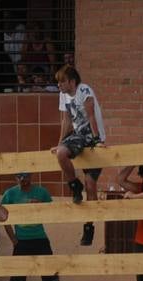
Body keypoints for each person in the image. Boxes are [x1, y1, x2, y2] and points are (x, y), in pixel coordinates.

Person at [1, 172, 76, 281]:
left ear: (31, 177)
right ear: (15, 178)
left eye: (26, 176)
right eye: (19, 176)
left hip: (40, 240)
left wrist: (40, 206)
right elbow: (3, 217)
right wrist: (14, 239)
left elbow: (53, 212)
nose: (23, 179)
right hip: (21, 243)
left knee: (54, 280)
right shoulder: (10, 194)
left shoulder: (41, 192)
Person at [53, 64, 105, 245]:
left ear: (72, 81)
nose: (59, 85)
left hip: (91, 135)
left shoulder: (84, 90)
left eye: (62, 82)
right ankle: (74, 185)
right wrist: (61, 142)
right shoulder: (63, 96)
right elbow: (66, 120)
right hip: (77, 136)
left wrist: (98, 140)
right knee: (61, 153)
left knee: (91, 185)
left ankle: (89, 226)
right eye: (58, 82)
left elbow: (91, 116)